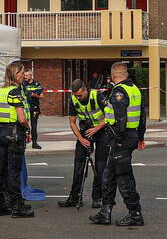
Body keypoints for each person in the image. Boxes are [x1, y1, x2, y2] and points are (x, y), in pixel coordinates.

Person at [89, 62, 146, 227]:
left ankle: (135, 213)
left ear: (114, 76)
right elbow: (142, 115)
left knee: (124, 177)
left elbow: (121, 119)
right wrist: (140, 137)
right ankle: (105, 212)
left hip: (121, 139)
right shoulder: (135, 89)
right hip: (130, 136)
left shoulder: (119, 91)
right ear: (126, 74)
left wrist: (119, 140)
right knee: (108, 175)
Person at [59, 79, 108, 209]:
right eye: (76, 95)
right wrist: (80, 138)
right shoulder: (73, 100)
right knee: (79, 164)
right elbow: (72, 123)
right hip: (85, 131)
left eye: (80, 95)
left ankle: (97, 198)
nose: (78, 98)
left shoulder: (97, 96)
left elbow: (110, 116)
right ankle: (75, 198)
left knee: (100, 165)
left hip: (101, 130)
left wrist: (96, 128)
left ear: (85, 89)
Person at [0, 62, 33, 217]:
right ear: (16, 75)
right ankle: (17, 206)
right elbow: (22, 118)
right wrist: (28, 128)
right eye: (22, 73)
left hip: (2, 132)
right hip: (15, 134)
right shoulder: (15, 92)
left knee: (0, 170)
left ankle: (0, 204)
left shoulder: (1, 91)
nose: (24, 76)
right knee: (14, 171)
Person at [22, 68, 43, 149]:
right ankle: (23, 143)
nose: (25, 77)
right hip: (25, 108)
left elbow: (41, 96)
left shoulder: (37, 84)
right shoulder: (22, 84)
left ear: (31, 75)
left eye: (27, 75)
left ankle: (34, 143)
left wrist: (34, 95)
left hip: (35, 108)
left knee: (34, 126)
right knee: (24, 125)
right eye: (24, 75)